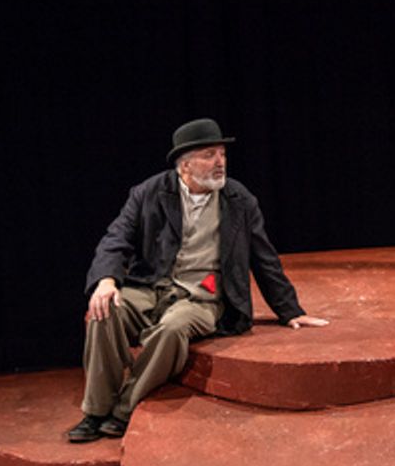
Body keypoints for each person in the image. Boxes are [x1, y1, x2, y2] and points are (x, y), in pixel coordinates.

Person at [66, 118, 329, 443]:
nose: (220, 162)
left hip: (203, 293)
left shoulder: (239, 200)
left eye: (222, 154)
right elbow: (115, 238)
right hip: (151, 286)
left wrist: (290, 310)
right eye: (209, 155)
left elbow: (264, 257)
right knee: (103, 311)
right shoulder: (149, 192)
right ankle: (95, 411)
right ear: (185, 164)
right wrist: (106, 280)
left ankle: (123, 409)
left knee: (173, 329)